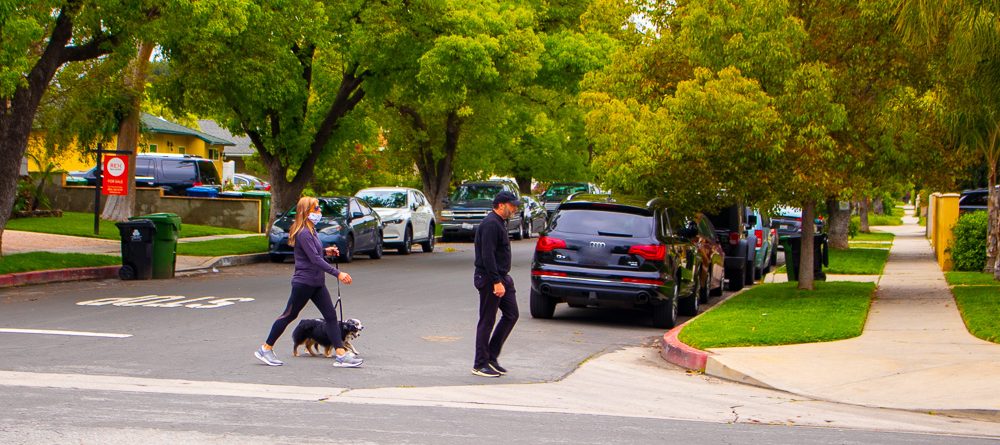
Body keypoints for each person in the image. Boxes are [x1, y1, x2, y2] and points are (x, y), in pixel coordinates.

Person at [254, 197, 364, 368]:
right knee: (289, 315)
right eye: (316, 209)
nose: (319, 212)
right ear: (306, 212)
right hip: (304, 282)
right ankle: (265, 348)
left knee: (331, 316)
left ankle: (341, 354)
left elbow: (315, 252)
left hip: (317, 282)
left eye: (319, 209)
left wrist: (326, 250)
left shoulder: (311, 230)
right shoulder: (304, 232)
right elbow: (314, 259)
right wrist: (338, 273)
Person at [471, 191, 521, 377]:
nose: (515, 208)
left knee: (511, 314)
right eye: (512, 205)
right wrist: (496, 281)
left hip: (502, 277)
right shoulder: (491, 224)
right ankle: (480, 364)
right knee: (487, 320)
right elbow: (487, 255)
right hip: (490, 278)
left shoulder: (500, 223)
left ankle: (491, 356)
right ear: (501, 205)